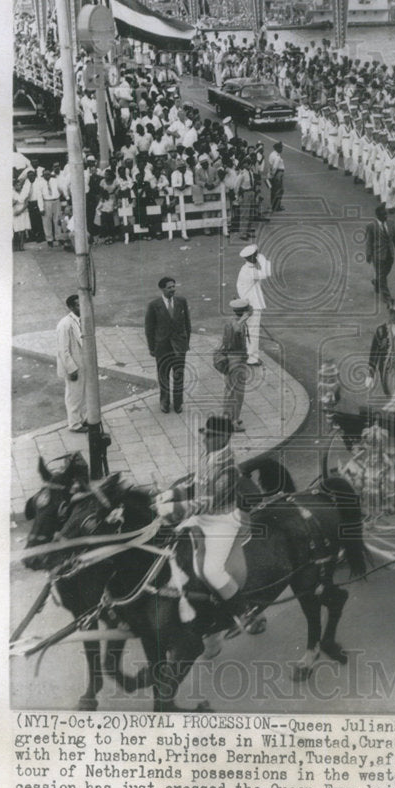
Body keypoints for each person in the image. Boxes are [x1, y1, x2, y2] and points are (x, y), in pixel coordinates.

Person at [159, 415, 260, 633]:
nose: (204, 438)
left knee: (212, 570)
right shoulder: (208, 455)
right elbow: (194, 485)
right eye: (204, 434)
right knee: (169, 539)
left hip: (221, 521)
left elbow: (209, 501)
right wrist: (170, 494)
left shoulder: (230, 468)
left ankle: (244, 613)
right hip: (202, 516)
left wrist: (174, 509)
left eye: (210, 436)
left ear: (223, 438)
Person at [144, 276, 191, 414]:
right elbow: (149, 328)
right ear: (162, 289)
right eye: (169, 287)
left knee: (179, 374)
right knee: (163, 375)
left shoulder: (181, 302)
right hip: (162, 347)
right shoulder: (154, 305)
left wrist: (185, 343)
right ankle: (164, 402)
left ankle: (178, 403)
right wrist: (152, 348)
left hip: (179, 347)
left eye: (174, 287)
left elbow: (187, 323)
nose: (173, 290)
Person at [55, 294, 87, 432]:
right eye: (78, 305)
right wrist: (71, 369)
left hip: (82, 364)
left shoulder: (80, 320)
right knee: (73, 396)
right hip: (73, 367)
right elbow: (63, 349)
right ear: (71, 307)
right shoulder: (65, 324)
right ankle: (74, 424)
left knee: (83, 394)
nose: (81, 307)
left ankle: (83, 419)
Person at [236, 244, 271, 365]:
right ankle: (252, 358)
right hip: (253, 305)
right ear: (252, 257)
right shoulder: (250, 271)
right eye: (255, 255)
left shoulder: (245, 269)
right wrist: (263, 259)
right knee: (253, 332)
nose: (257, 257)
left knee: (250, 331)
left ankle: (248, 353)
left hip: (248, 304)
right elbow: (267, 273)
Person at [220, 298, 251, 430]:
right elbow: (238, 330)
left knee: (229, 390)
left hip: (229, 357)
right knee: (237, 392)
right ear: (243, 312)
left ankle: (227, 417)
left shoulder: (229, 321)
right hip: (237, 359)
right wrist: (244, 318)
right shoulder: (238, 324)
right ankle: (234, 421)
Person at [364, 204, 395, 304]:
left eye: (386, 215)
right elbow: (368, 241)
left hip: (389, 253)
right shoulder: (371, 226)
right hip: (378, 254)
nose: (385, 217)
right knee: (382, 275)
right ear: (378, 216)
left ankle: (377, 282)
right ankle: (386, 296)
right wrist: (368, 254)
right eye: (383, 215)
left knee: (385, 272)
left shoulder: (391, 223)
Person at [266, 141, 285, 214]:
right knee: (279, 190)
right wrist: (272, 176)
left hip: (274, 174)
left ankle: (274, 205)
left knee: (274, 191)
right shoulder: (276, 156)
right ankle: (276, 206)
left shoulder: (272, 154)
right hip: (277, 174)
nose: (282, 149)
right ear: (277, 148)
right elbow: (274, 167)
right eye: (280, 148)